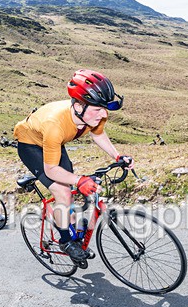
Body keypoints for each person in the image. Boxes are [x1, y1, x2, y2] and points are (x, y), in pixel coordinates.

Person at [14, 69, 133, 262]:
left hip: (54, 144)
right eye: (98, 109)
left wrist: (117, 155)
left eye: (104, 108)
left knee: (69, 191)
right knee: (64, 192)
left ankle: (67, 220)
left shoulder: (93, 113)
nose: (104, 114)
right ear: (78, 106)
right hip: (31, 146)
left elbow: (98, 134)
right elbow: (51, 169)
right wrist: (80, 180)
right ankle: (66, 241)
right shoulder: (55, 124)